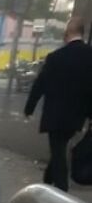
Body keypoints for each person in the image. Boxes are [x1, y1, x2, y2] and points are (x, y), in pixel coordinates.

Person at [24, 16, 92, 192]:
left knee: (58, 150)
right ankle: (47, 181)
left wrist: (29, 108)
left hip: (55, 115)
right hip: (77, 116)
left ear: (67, 33)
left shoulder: (55, 57)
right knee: (59, 148)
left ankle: (61, 191)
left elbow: (40, 84)